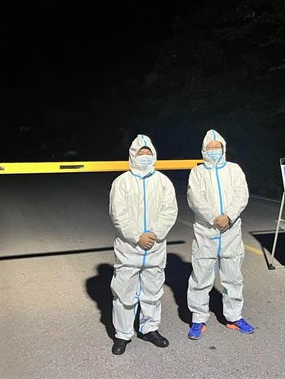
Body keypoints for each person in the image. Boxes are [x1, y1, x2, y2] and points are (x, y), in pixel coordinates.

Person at [109, 134, 178, 355]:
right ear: (133, 155)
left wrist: (154, 234)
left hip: (155, 248)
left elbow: (170, 211)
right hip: (130, 248)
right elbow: (118, 214)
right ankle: (122, 334)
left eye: (149, 153)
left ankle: (150, 329)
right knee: (124, 293)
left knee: (153, 291)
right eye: (141, 153)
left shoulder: (163, 182)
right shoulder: (122, 182)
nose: (145, 156)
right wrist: (137, 236)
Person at [186, 129, 254, 340]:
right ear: (203, 150)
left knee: (233, 277)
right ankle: (198, 318)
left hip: (230, 231)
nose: (214, 150)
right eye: (210, 147)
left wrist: (228, 216)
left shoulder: (234, 170)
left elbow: (241, 195)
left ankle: (234, 316)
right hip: (206, 231)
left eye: (217, 147)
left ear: (223, 149)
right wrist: (215, 217)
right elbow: (195, 199)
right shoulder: (197, 172)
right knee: (200, 276)